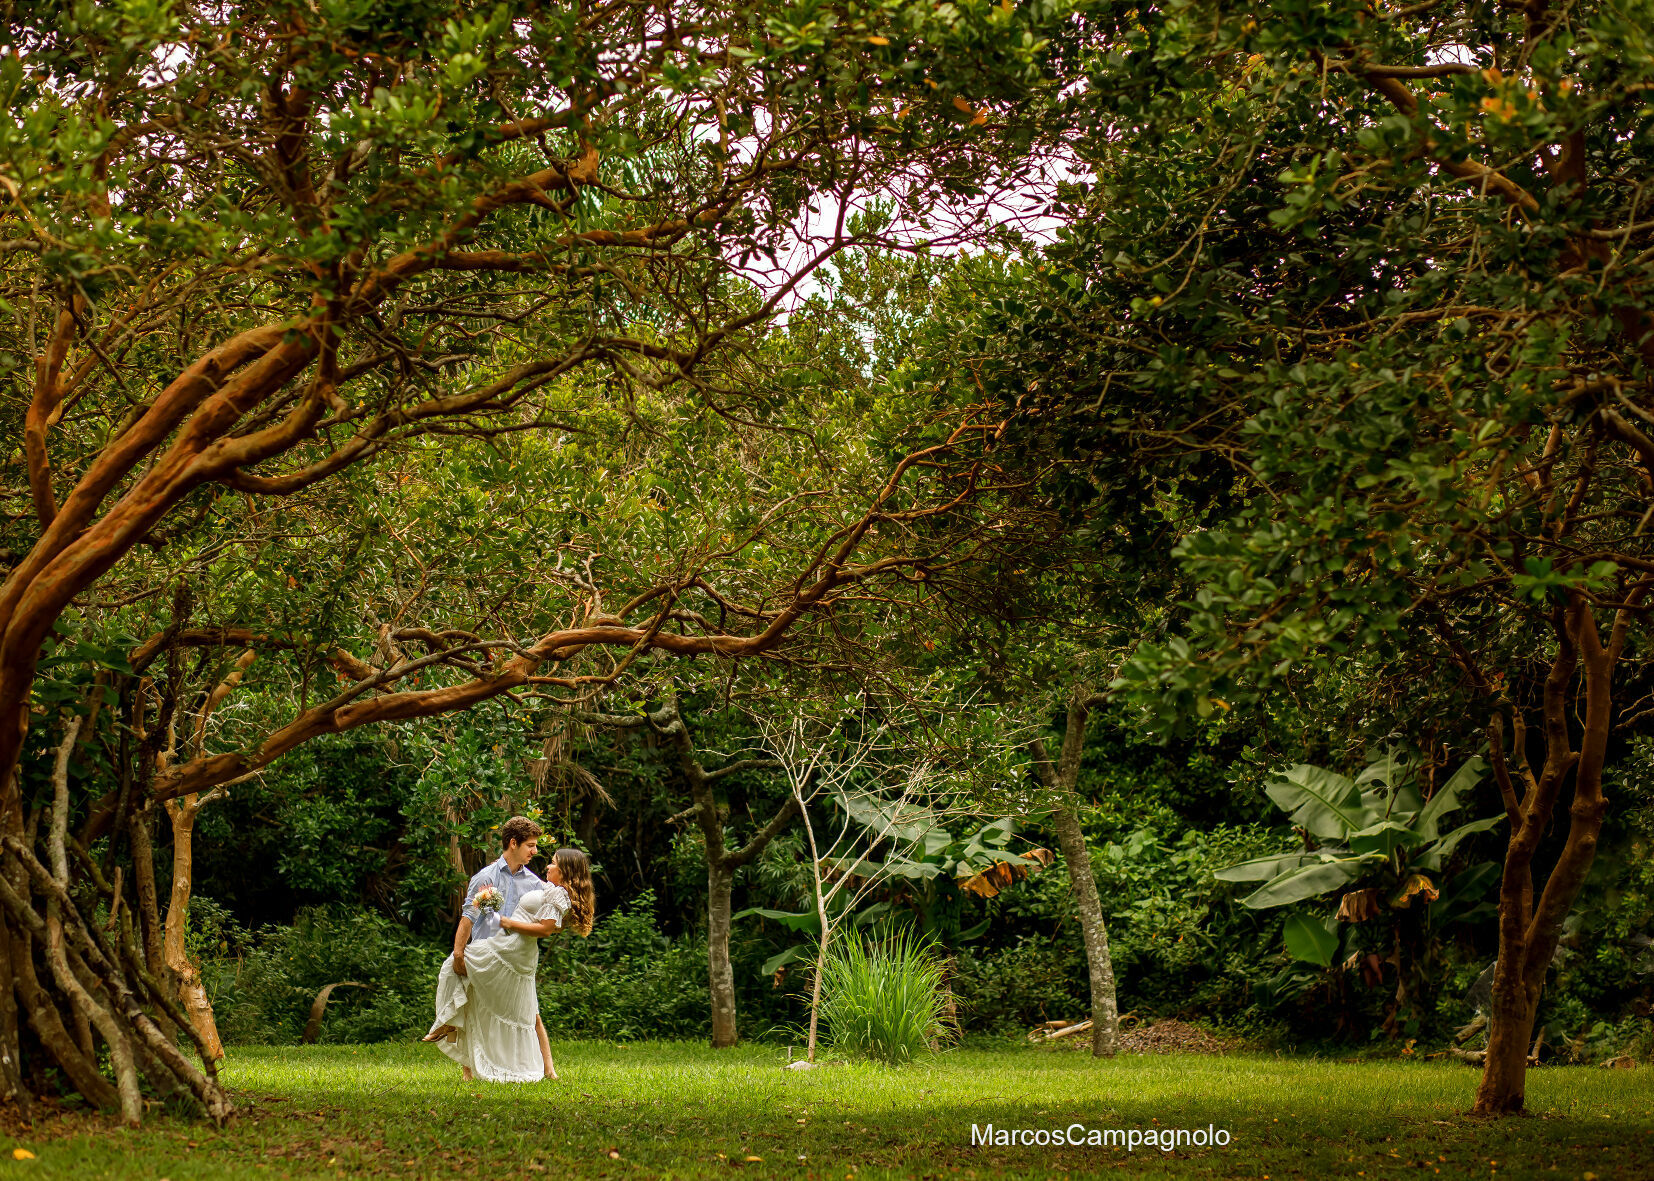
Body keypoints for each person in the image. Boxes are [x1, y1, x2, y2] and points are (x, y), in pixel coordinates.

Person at [424, 839, 595, 1082]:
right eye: (531, 846)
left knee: (456, 967)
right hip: (512, 948)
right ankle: (452, 1028)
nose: (546, 864)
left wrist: (506, 922)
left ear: (565, 871)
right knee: (501, 1000)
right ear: (514, 844)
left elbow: (546, 929)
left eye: (553, 863)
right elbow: (550, 924)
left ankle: (447, 1022)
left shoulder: (557, 893)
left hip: (511, 948)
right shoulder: (549, 888)